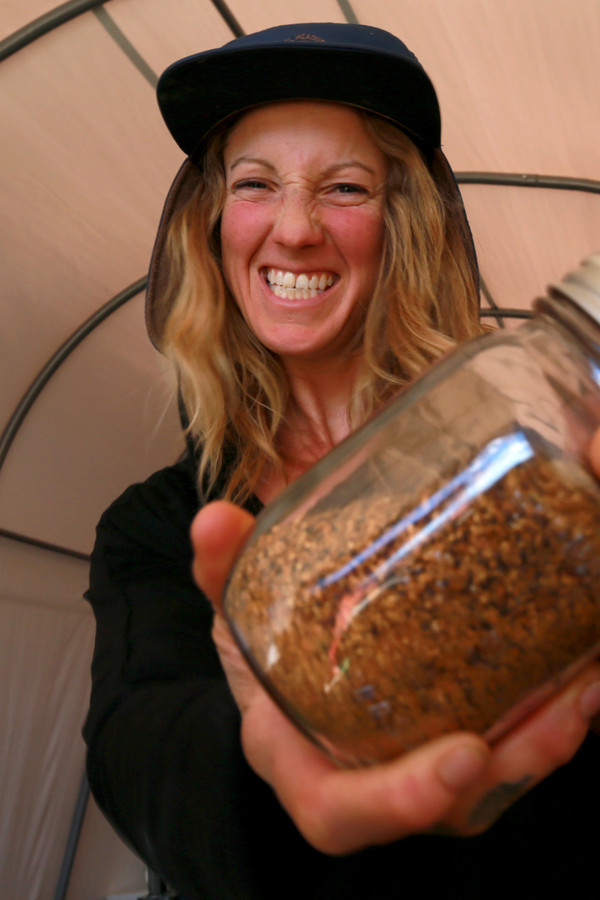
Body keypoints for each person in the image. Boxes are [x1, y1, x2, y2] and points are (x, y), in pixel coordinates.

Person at [84, 23, 600, 900]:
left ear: (405, 222)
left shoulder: (531, 464)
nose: (295, 228)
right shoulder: (161, 522)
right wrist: (258, 756)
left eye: (346, 187)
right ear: (212, 224)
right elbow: (142, 751)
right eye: (256, 184)